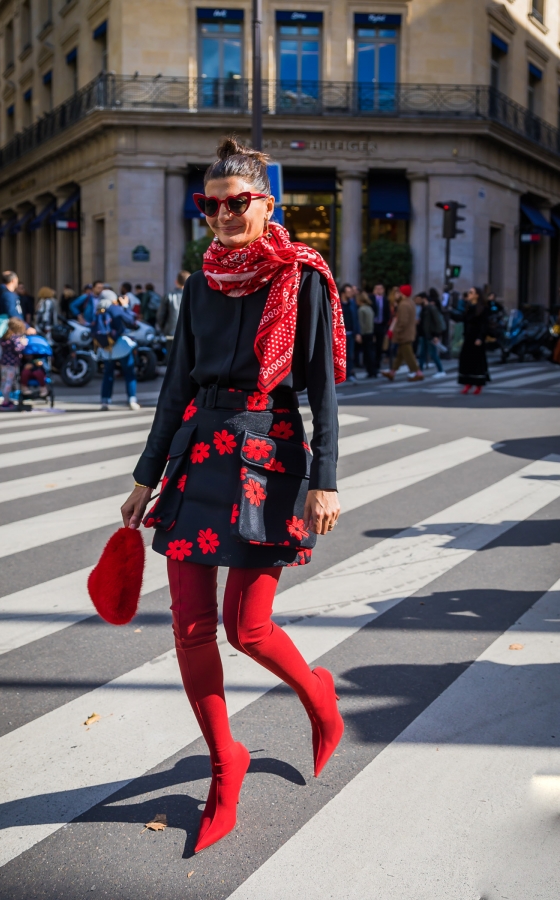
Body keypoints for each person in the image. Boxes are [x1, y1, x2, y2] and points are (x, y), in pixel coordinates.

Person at [120, 136, 346, 854]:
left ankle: (318, 695)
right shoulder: (199, 282)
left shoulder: (301, 277)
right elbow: (176, 384)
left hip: (269, 457)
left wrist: (325, 479)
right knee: (190, 628)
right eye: (210, 204)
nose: (222, 214)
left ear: (266, 203)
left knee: (247, 630)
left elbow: (322, 388)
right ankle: (225, 767)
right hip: (198, 452)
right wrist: (144, 475)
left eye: (236, 202)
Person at [93, 288, 140, 411]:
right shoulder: (114, 308)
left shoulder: (98, 310)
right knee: (129, 373)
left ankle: (105, 401)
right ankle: (132, 400)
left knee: (108, 374)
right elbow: (130, 320)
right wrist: (125, 306)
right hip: (120, 346)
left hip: (106, 348)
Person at [451, 285, 490, 395]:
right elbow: (464, 318)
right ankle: (467, 383)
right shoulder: (468, 306)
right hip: (468, 337)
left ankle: (478, 384)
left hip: (477, 337)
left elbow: (484, 324)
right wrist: (451, 313)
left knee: (477, 361)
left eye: (471, 292)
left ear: (477, 295)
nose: (469, 294)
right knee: (465, 359)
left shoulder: (483, 308)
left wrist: (480, 337)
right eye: (469, 292)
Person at [382, 284, 423, 382]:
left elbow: (403, 321)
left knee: (408, 355)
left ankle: (418, 372)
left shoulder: (403, 304)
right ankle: (392, 372)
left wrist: (396, 331)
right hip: (408, 332)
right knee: (400, 355)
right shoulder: (410, 302)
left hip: (404, 334)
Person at [0, 317, 28, 409]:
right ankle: (6, 402)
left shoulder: (5, 336)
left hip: (3, 362)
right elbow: (17, 349)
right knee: (9, 382)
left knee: (4, 381)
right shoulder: (14, 337)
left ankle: (5, 399)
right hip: (12, 363)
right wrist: (23, 344)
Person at [416, 292, 445, 377]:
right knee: (422, 353)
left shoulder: (431, 308)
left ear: (424, 299)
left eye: (418, 299)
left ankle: (441, 370)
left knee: (432, 353)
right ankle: (419, 371)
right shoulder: (424, 308)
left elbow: (438, 322)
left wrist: (436, 335)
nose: (417, 301)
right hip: (424, 334)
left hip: (430, 334)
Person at [157, 271, 190, 338]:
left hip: (171, 333)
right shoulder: (194, 297)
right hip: (190, 335)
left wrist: (165, 328)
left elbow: (160, 316)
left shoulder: (169, 296)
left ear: (176, 281)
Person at [339, 283, 361, 381]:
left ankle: (349, 374)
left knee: (350, 355)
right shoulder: (338, 303)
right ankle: (340, 374)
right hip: (340, 333)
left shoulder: (352, 304)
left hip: (351, 333)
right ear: (343, 293)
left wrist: (357, 333)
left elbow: (355, 319)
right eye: (348, 291)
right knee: (339, 355)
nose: (351, 293)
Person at [370, 283, 390, 373]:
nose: (379, 290)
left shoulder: (385, 300)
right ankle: (372, 365)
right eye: (377, 288)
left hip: (381, 324)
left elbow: (387, 312)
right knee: (371, 345)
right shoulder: (371, 299)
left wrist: (385, 323)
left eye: (380, 288)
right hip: (372, 324)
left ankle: (377, 365)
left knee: (379, 346)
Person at [357, 291, 377, 378]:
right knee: (371, 352)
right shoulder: (369, 308)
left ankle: (370, 371)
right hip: (370, 332)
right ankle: (373, 371)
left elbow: (361, 323)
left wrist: (360, 333)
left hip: (364, 333)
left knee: (367, 353)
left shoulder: (361, 309)